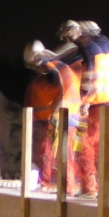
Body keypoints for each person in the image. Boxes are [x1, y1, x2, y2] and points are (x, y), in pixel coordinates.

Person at [59, 20, 109, 201]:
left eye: (71, 36)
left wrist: (85, 100)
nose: (71, 41)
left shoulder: (90, 47)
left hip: (101, 104)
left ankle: (91, 189)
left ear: (82, 33)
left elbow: (92, 74)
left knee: (86, 145)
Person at [23, 41, 81, 194]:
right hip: (65, 115)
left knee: (60, 153)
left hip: (62, 116)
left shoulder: (52, 70)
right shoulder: (58, 67)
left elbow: (63, 93)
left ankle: (66, 187)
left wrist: (55, 114)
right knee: (54, 152)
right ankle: (53, 184)